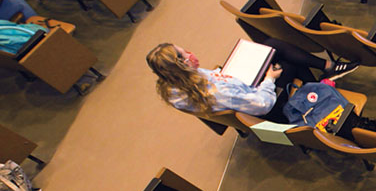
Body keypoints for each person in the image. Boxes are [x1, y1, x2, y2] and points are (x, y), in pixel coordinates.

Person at [145, 42, 351, 119]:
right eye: (185, 53)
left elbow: (218, 82)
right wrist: (269, 80)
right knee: (286, 65)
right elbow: (262, 104)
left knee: (271, 48)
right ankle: (319, 86)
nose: (191, 53)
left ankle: (326, 71)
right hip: (268, 109)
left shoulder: (175, 85)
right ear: (182, 64)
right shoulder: (213, 91)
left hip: (240, 92)